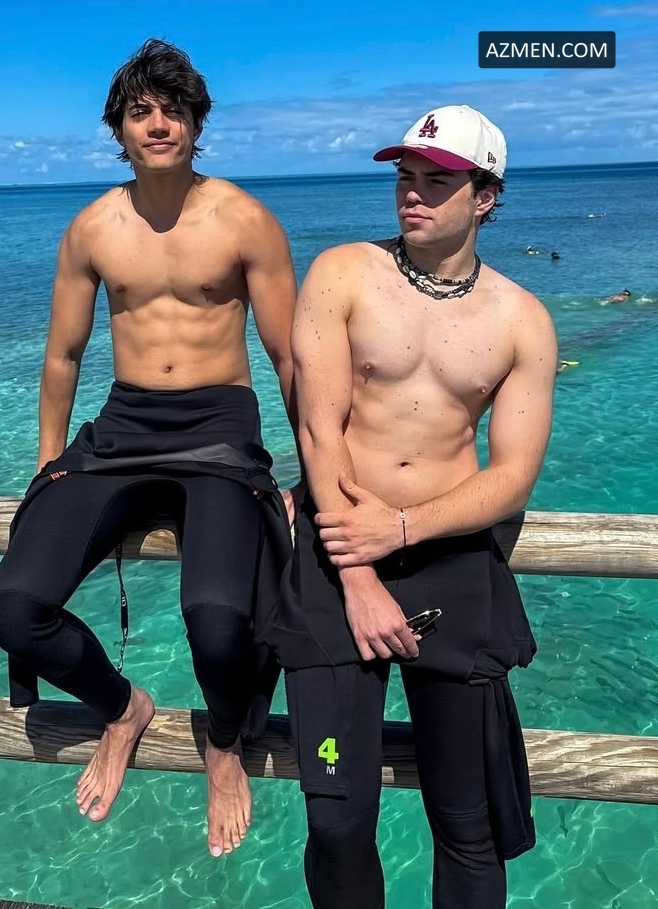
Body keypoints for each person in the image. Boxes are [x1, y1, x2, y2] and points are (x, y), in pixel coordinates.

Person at [0, 38, 297, 858]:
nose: (157, 124)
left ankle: (222, 743)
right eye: (140, 111)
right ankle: (123, 708)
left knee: (218, 621)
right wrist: (48, 462)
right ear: (118, 129)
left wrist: (312, 475)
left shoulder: (245, 220)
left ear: (196, 124)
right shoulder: (93, 226)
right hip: (122, 430)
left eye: (173, 110)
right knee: (14, 608)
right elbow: (63, 355)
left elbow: (289, 358)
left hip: (219, 429)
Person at [268, 105, 557, 908]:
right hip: (336, 555)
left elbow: (512, 476)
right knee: (335, 819)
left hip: (448, 559)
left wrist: (399, 528)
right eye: (405, 176)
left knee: (468, 825)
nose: (412, 193)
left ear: (485, 197)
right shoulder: (342, 272)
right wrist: (358, 572)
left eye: (437, 180)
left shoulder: (521, 319)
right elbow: (317, 427)